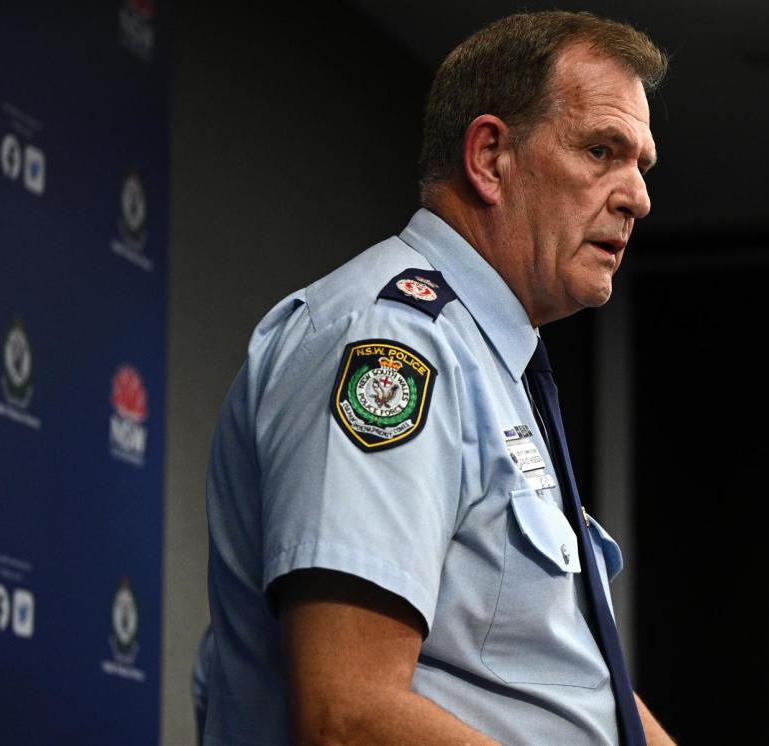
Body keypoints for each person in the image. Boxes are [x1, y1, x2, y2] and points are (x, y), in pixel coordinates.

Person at [202, 11, 675, 745]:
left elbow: (562, 678)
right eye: (601, 151)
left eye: (641, 166)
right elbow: (348, 715)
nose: (636, 197)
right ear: (489, 157)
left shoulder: (491, 362)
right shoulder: (393, 343)